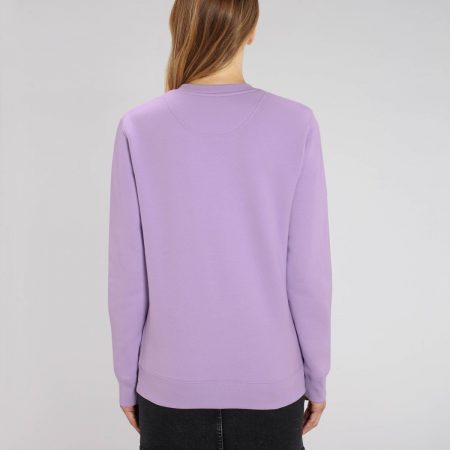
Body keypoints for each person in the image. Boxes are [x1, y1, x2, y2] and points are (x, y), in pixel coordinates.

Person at [107, 1, 332, 448]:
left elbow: (128, 276)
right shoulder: (296, 123)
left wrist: (128, 381)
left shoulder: (139, 127)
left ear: (179, 27)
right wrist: (316, 377)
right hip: (271, 384)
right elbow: (307, 271)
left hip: (168, 388)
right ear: (251, 30)